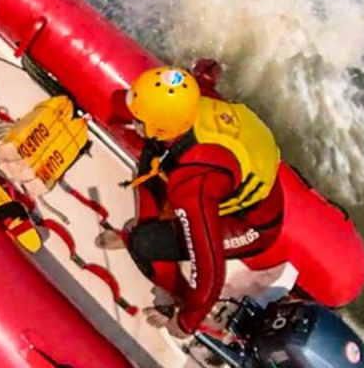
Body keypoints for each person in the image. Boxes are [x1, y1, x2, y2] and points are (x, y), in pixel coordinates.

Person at [98, 65, 287, 339]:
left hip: (250, 225)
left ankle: (177, 297)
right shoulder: (195, 99)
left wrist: (186, 323)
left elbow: (209, 269)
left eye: (138, 118)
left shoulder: (193, 185)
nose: (132, 121)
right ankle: (144, 229)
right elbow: (207, 71)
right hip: (225, 183)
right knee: (150, 160)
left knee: (144, 243)